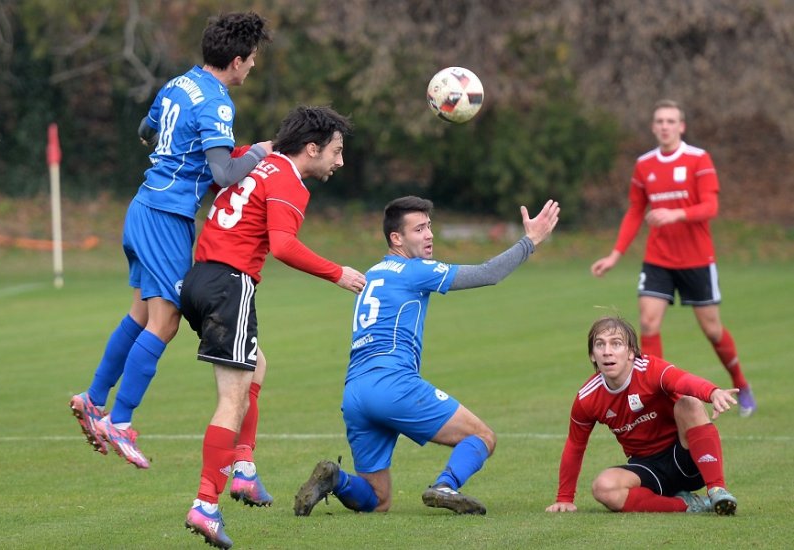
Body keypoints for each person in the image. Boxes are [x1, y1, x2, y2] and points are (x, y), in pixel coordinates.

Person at [69, 12, 272, 468]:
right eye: (252, 60)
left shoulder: (179, 83)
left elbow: (147, 129)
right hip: (167, 217)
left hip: (142, 206)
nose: (252, 67)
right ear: (236, 61)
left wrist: (170, 154)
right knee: (166, 322)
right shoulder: (218, 102)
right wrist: (258, 153)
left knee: (141, 312)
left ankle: (93, 398)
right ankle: (119, 422)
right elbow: (223, 173)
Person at [293, 195, 560, 517]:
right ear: (397, 238)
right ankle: (446, 485)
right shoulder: (413, 270)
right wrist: (530, 241)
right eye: (419, 229)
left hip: (355, 393)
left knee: (378, 500)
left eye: (429, 227)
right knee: (482, 436)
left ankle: (336, 479)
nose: (429, 235)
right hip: (394, 385)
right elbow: (489, 273)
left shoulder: (374, 272)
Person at [180, 105, 367, 549]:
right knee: (232, 400)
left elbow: (214, 173)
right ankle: (206, 503)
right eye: (336, 152)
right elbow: (282, 246)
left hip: (198, 278)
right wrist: (337, 273)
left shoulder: (252, 157)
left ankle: (243, 467)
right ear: (311, 148)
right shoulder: (289, 182)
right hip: (230, 283)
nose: (340, 162)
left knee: (256, 365)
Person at [590, 99, 756, 418]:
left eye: (671, 121)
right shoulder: (644, 165)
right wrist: (615, 255)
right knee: (649, 321)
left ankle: (741, 384)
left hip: (697, 259)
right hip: (659, 259)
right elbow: (636, 210)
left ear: (681, 126)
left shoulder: (699, 159)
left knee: (713, 331)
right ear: (653, 127)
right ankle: (658, 395)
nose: (665, 126)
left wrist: (676, 214)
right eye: (660, 121)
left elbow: (710, 207)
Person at [545, 316, 739, 515]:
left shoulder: (649, 370)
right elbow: (575, 445)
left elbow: (683, 380)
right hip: (647, 469)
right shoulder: (587, 398)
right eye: (599, 344)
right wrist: (565, 498)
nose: (607, 351)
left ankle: (716, 489)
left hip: (686, 460)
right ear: (592, 356)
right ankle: (688, 505)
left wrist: (712, 392)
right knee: (603, 487)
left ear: (631, 352)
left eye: (616, 344)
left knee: (688, 403)